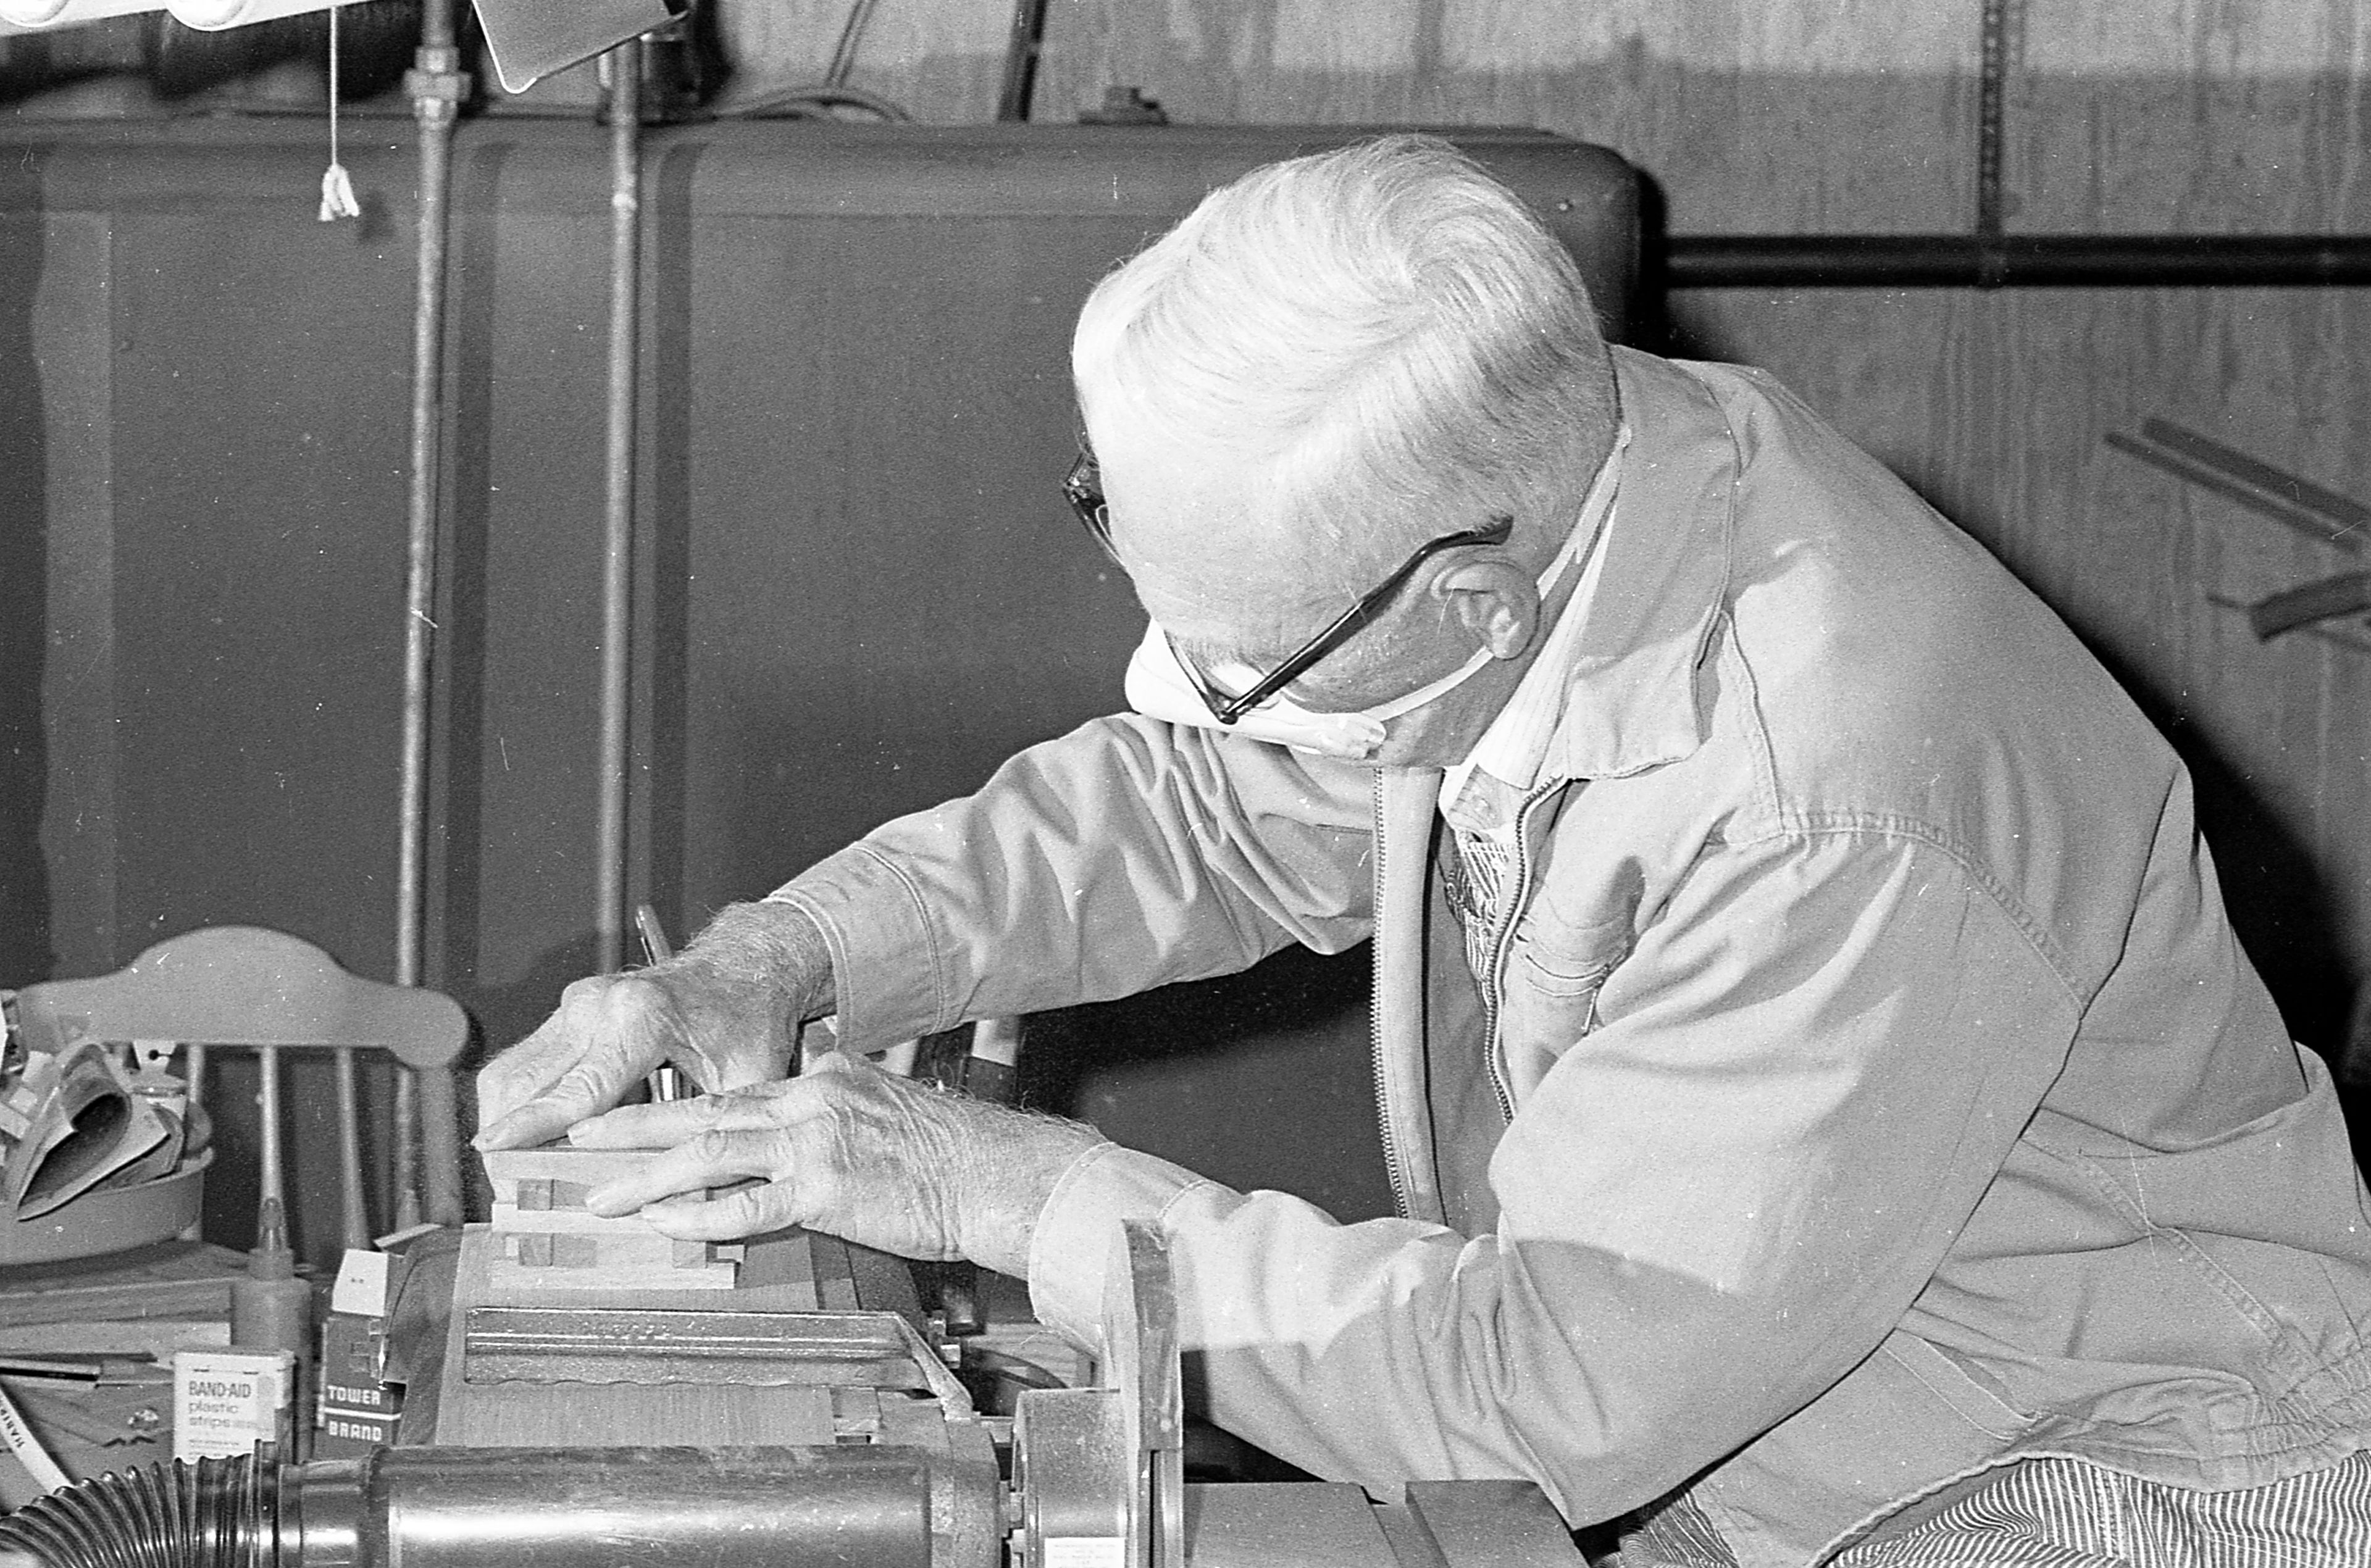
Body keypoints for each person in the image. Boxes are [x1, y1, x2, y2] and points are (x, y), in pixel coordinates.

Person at [475, 135, 2371, 1564]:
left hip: (2095, 1480)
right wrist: (792, 956)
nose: (1171, 683)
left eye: (1234, 658)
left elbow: (1545, 1385)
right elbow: (1200, 798)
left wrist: (986, 1192)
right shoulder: (1573, 482)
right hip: (1781, 1423)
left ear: (1468, 609)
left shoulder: (1831, 806)